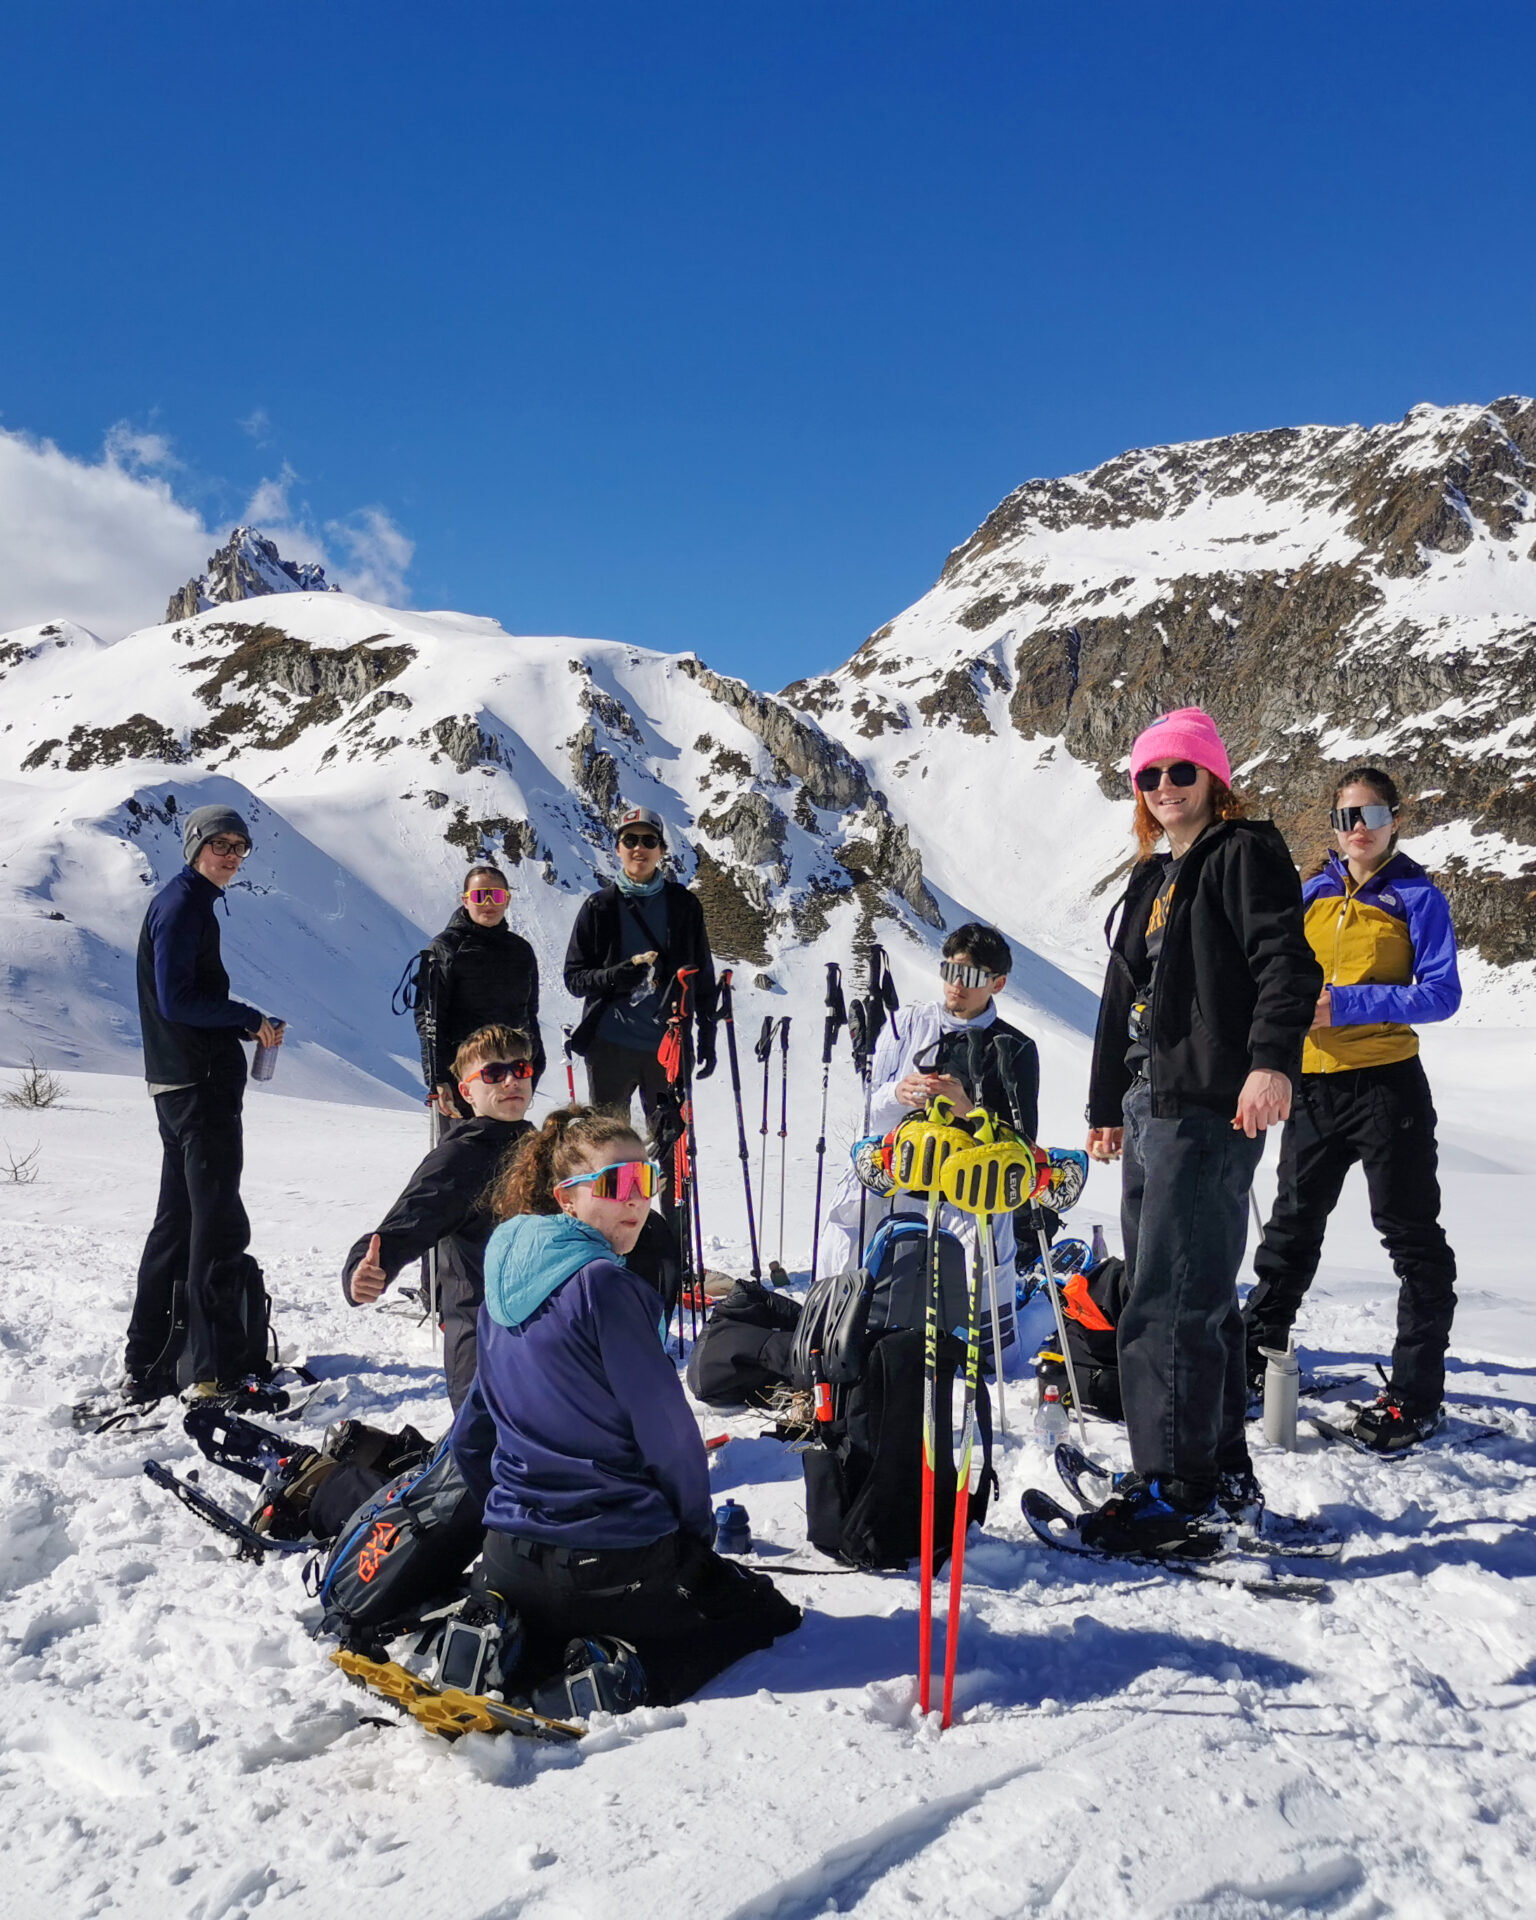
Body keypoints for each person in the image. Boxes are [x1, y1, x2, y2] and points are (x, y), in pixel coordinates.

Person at [449, 1108, 800, 1708]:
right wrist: (694, 1536)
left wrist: (508, 1517)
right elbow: (669, 1437)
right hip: (609, 1558)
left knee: (559, 1612)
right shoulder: (604, 1287)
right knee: (762, 1612)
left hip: (508, 1557)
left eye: (646, 1180)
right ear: (566, 1199)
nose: (637, 1200)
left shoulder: (503, 1280)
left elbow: (471, 1435)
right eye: (617, 1185)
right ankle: (626, 1679)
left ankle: (514, 1644)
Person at [1083, 708, 1322, 1553]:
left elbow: (1286, 963)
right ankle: (1215, 1471)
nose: (1164, 788)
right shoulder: (1152, 877)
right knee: (1198, 1295)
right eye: (1149, 777)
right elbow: (1120, 1000)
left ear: (1213, 779)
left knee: (1168, 1302)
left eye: (1180, 772)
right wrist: (1105, 1105)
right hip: (1153, 1101)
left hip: (1210, 1102)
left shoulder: (1243, 853)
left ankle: (1172, 1490)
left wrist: (1272, 1063)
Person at [1243, 767, 1461, 1450]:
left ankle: (1416, 1396)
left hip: (1387, 1084)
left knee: (1411, 1238)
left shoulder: (1417, 896)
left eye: (1369, 813)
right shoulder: (1310, 892)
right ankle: (1255, 1360)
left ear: (1394, 818)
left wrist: (1348, 1002)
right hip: (1313, 1084)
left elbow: (1441, 993)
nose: (1357, 827)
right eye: (1345, 817)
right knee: (1290, 1231)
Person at [814, 924, 1039, 1355]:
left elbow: (1023, 1141)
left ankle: (984, 1344)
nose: (957, 985)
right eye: (950, 972)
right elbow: (870, 1109)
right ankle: (837, 1325)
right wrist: (897, 1094)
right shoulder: (907, 1026)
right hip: (899, 1166)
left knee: (984, 1285)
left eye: (972, 977)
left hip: (967, 1186)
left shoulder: (1015, 1047)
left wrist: (969, 1111)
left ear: (998, 983)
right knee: (847, 1226)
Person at [126, 803, 286, 1403]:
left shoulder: (185, 903)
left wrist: (241, 1026)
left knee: (179, 1221)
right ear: (195, 846)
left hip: (179, 1083)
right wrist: (247, 1018)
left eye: (240, 847)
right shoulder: (183, 903)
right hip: (199, 1088)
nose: (232, 856)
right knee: (215, 1224)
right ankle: (212, 1370)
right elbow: (178, 999)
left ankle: (149, 1362)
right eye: (221, 844)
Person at [342, 1025, 537, 1409]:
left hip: (541, 1339)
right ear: (466, 1092)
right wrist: (364, 1270)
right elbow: (404, 1224)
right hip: (485, 1347)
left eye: (520, 1069)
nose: (511, 1080)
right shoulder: (460, 1158)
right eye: (494, 1074)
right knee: (491, 1462)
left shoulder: (542, 1146)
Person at [562, 806, 718, 1203]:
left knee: (672, 1152)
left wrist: (709, 1035)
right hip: (609, 1046)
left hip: (668, 1047)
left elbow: (702, 975)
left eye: (648, 840)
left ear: (662, 850)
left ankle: (670, 1246)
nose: (639, 848)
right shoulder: (598, 908)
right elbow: (575, 978)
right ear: (617, 847)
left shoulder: (685, 906)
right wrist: (614, 976)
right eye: (631, 840)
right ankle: (613, 1240)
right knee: (608, 1153)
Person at [415, 864, 545, 1118]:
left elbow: (529, 1013)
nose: (488, 903)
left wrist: (536, 1063)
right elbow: (429, 1019)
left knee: (510, 1154)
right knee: (464, 1151)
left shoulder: (520, 950)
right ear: (465, 900)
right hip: (464, 1078)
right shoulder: (445, 949)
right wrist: (437, 1079)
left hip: (511, 1075)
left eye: (496, 896)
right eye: (479, 896)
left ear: (507, 900)